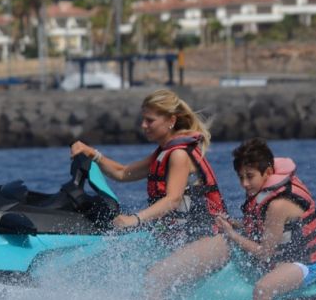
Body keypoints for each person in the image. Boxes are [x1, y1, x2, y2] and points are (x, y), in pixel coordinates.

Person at [147, 137, 316, 300]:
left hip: (303, 263)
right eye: (241, 177)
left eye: (249, 176)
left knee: (263, 289)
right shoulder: (263, 190)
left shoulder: (278, 204)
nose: (244, 183)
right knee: (218, 243)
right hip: (276, 251)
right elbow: (267, 228)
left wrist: (233, 234)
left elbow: (265, 252)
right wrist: (235, 225)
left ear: (267, 172)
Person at [69, 88, 226, 244]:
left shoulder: (179, 155)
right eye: (143, 119)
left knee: (153, 271)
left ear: (171, 121)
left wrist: (134, 219)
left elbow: (173, 199)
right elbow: (122, 173)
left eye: (150, 120)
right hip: (182, 238)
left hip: (207, 238)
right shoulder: (163, 153)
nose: (143, 125)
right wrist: (91, 153)